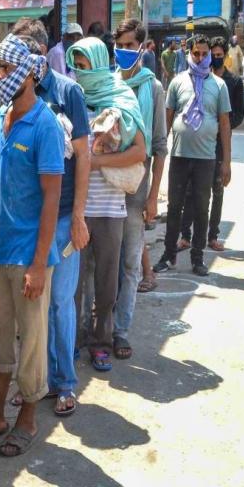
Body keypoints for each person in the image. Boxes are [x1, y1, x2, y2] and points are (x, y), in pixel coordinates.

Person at [0, 33, 64, 458]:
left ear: (26, 74)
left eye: (5, 69)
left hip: (29, 258)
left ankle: (27, 419)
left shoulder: (44, 126)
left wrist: (39, 265)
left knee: (32, 342)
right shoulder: (4, 116)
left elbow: (52, 200)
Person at [3, 16, 89, 415]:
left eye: (26, 53)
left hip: (63, 214)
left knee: (59, 303)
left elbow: (84, 157)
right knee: (31, 307)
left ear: (40, 53)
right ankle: (36, 382)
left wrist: (79, 217)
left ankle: (65, 382)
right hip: (27, 223)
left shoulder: (67, 92)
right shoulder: (14, 99)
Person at [66, 37, 146, 373]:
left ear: (99, 63)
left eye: (86, 66)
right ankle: (71, 343)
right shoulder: (73, 98)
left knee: (106, 282)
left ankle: (101, 342)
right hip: (77, 208)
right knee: (73, 284)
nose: (81, 73)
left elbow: (140, 152)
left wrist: (95, 161)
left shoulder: (122, 98)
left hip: (111, 208)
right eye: (77, 66)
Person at [154, 35, 232, 277]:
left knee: (201, 207)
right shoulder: (177, 83)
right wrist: (161, 152)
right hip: (179, 155)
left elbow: (225, 125)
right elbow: (167, 118)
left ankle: (197, 258)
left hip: (206, 158)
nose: (200, 58)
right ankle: (169, 255)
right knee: (174, 206)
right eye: (196, 53)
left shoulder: (219, 86)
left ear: (210, 55)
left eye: (204, 54)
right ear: (189, 53)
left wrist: (226, 162)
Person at [113, 19, 168, 361]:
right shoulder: (107, 84)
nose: (124, 51)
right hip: (104, 190)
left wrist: (152, 198)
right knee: (99, 264)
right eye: (120, 45)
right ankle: (99, 328)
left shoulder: (154, 88)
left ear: (142, 48)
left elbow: (160, 146)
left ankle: (121, 331)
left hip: (136, 190)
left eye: (130, 45)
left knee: (130, 264)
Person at [178, 37, 244, 253]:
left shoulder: (232, 82)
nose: (213, 59)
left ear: (224, 56)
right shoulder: (197, 78)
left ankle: (212, 235)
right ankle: (185, 235)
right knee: (190, 190)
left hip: (216, 145)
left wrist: (219, 126)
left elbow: (238, 115)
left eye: (217, 56)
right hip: (197, 144)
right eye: (210, 55)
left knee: (216, 190)